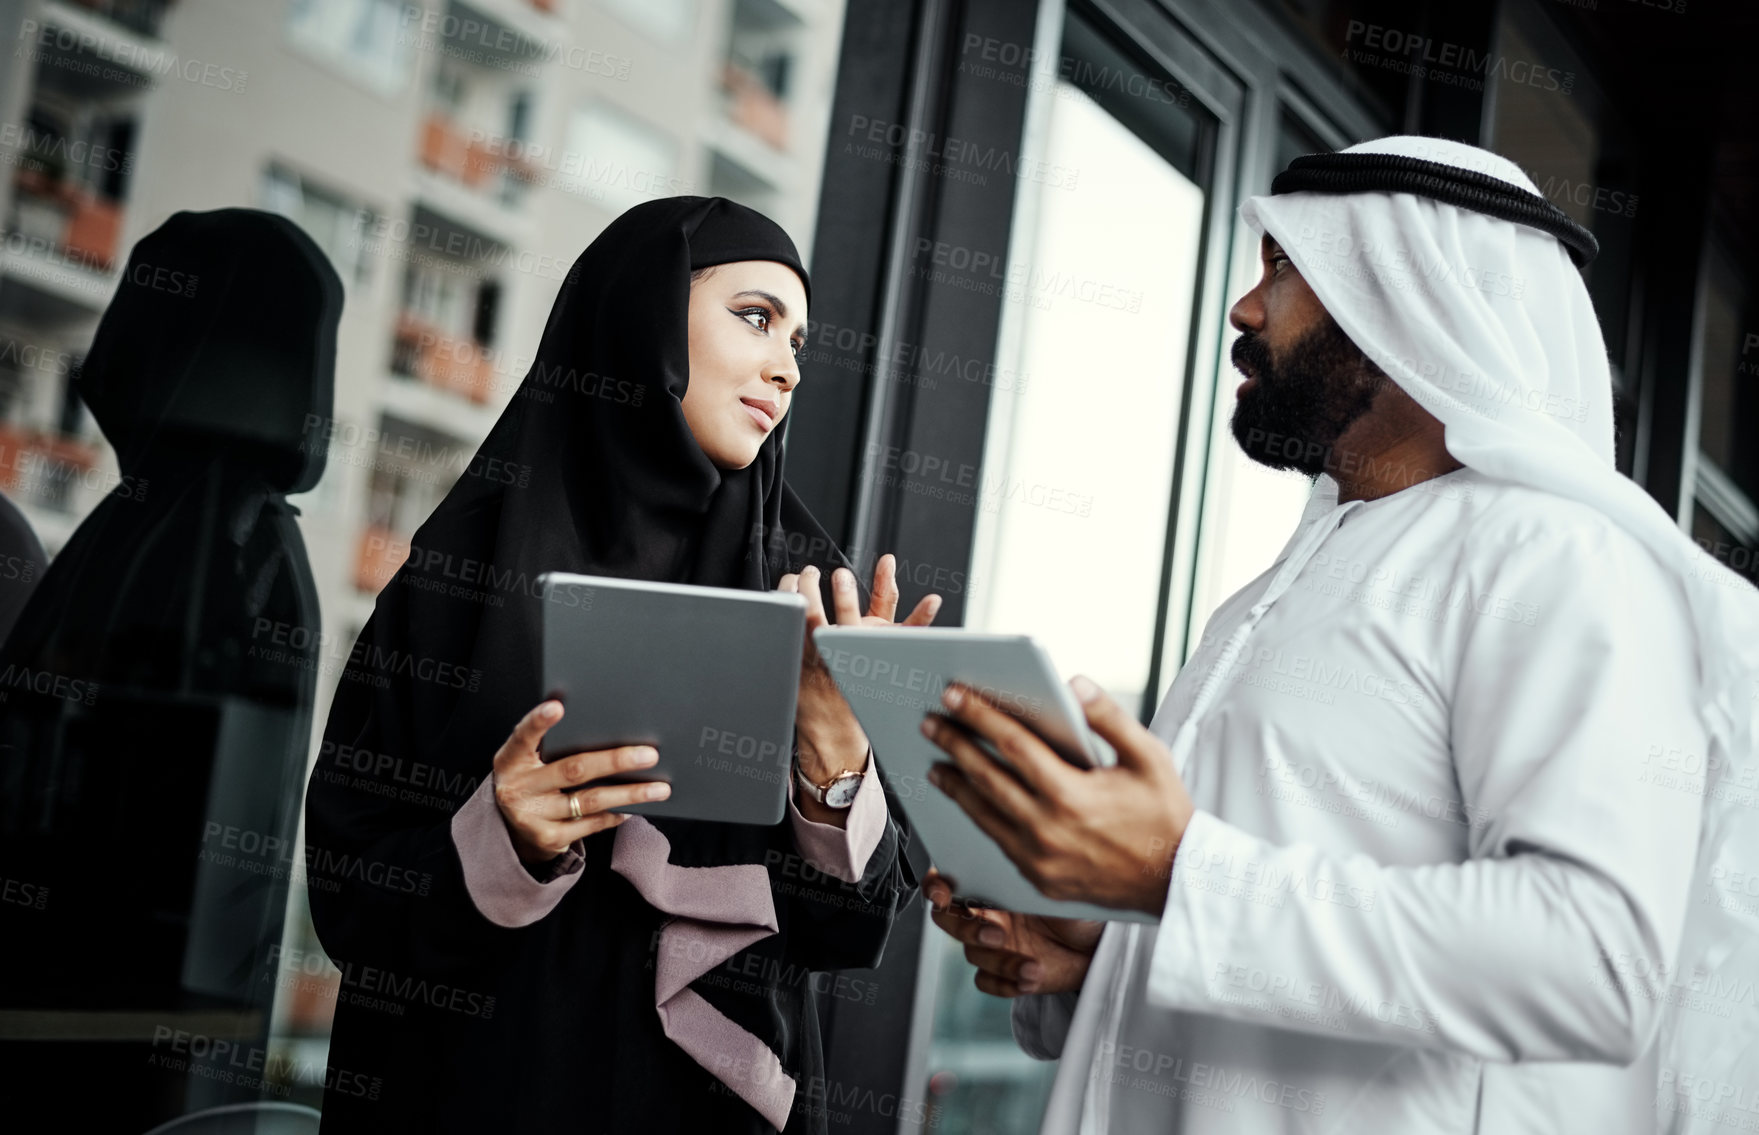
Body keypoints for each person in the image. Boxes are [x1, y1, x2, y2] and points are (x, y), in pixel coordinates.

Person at [919, 136, 1759, 1134]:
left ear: (1406, 298)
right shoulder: (1269, 596)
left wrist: (1173, 873)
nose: (1243, 310)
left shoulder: (1559, 558)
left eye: (1283, 269)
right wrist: (1099, 941)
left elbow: (1593, 964)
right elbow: (1258, 932)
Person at [304, 196, 937, 1134]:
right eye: (755, 318)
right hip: (469, 1087)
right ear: (643, 313)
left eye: (798, 342)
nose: (786, 367)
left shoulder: (804, 585)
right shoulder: (460, 572)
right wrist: (504, 835)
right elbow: (349, 898)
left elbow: (852, 930)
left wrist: (835, 764)